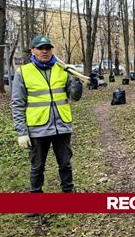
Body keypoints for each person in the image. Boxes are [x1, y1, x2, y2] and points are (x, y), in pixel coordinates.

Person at [11, 35, 83, 194]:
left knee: (65, 164)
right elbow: (17, 104)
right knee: (37, 167)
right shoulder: (23, 72)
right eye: (40, 48)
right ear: (33, 51)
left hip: (62, 126)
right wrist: (22, 132)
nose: (44, 51)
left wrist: (76, 79)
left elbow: (74, 97)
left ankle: (68, 195)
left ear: (52, 50)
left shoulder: (62, 70)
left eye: (47, 48)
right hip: (38, 128)